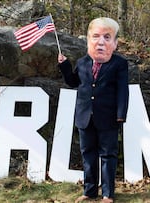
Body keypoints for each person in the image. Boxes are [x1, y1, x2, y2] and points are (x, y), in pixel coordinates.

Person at [57, 17, 129, 203]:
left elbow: (123, 90)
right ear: (88, 40)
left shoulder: (119, 64)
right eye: (96, 37)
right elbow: (73, 82)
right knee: (87, 154)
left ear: (115, 43)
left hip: (108, 118)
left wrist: (121, 114)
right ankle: (89, 191)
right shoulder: (82, 62)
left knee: (108, 155)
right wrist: (65, 66)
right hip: (84, 117)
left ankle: (107, 194)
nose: (101, 42)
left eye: (107, 37)